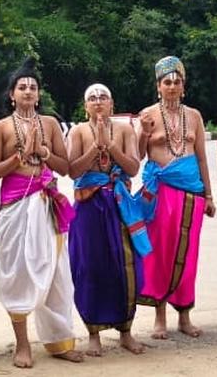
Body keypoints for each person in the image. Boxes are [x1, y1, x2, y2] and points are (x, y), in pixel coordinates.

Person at [0, 57, 82, 368]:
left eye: (33, 87)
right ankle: (22, 344)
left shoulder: (50, 124)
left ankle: (59, 341)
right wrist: (19, 158)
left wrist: (43, 152)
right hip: (15, 208)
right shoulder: (1, 127)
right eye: (22, 87)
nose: (28, 91)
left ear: (38, 95)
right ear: (11, 95)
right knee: (18, 274)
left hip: (47, 205)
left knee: (56, 273)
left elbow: (65, 168)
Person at [134, 56, 216, 339]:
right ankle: (160, 317)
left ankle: (184, 315)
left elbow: (202, 158)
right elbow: (137, 156)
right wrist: (144, 133)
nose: (171, 86)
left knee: (187, 254)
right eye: (166, 82)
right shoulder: (147, 115)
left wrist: (208, 195)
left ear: (183, 85)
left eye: (176, 81)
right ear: (158, 86)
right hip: (160, 193)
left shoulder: (194, 116)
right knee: (160, 253)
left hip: (191, 193)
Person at [67, 83, 148, 356]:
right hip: (89, 206)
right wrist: (95, 147)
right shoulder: (78, 132)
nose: (98, 101)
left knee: (125, 266)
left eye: (103, 97)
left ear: (111, 104)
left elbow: (133, 168)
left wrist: (111, 145)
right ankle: (93, 333)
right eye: (92, 98)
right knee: (90, 266)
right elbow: (72, 170)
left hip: (119, 204)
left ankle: (126, 331)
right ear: (85, 106)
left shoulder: (124, 130)